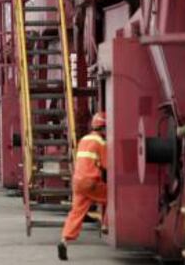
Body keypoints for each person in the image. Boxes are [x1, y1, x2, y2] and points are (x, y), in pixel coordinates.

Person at [57, 112, 107, 261]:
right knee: (113, 196)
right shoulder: (100, 142)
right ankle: (106, 226)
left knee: (76, 213)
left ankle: (64, 241)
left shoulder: (83, 140)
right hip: (90, 182)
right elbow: (106, 164)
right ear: (104, 128)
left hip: (78, 182)